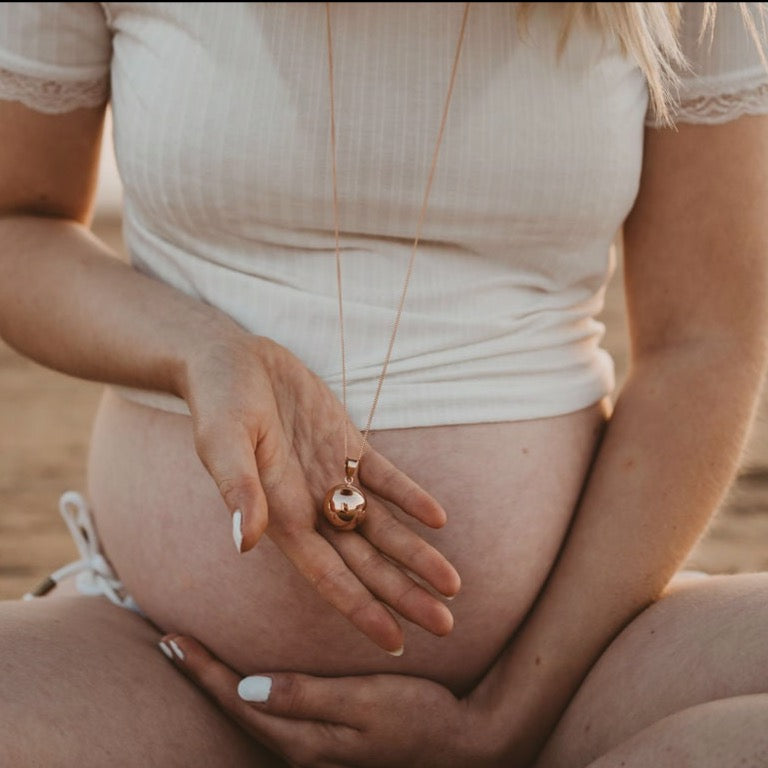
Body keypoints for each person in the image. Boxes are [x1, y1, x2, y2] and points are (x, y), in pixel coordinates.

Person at [1, 2, 767, 766]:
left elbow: (704, 345)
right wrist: (199, 349)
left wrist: (506, 717)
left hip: (573, 678)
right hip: (160, 664)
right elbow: (16, 221)